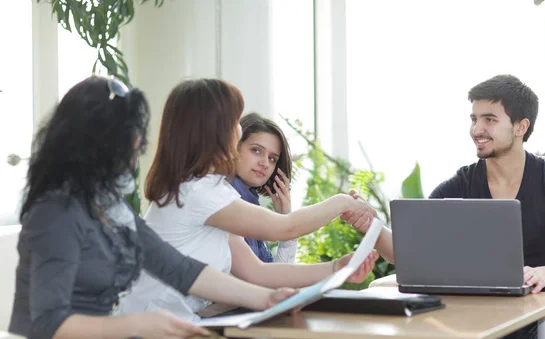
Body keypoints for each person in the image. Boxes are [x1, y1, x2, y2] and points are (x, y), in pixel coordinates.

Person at [8, 76, 299, 339]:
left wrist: (266, 299)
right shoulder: (56, 213)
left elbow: (180, 269)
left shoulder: (110, 209)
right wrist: (138, 325)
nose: (140, 143)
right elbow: (48, 324)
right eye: (129, 136)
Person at [346, 74, 545, 339]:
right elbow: (407, 253)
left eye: (490, 119)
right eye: (474, 119)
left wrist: (540, 274)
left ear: (521, 127)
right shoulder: (458, 185)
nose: (477, 130)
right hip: (481, 318)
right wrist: (374, 226)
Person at [119, 78, 377, 323]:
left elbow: (257, 272)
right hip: (149, 327)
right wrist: (343, 201)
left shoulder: (205, 191)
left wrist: (337, 267)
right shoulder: (199, 192)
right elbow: (285, 227)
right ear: (213, 131)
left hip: (173, 323)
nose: (239, 128)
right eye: (234, 122)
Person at [230, 112, 297, 263]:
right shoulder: (225, 198)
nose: (265, 163)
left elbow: (276, 279)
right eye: (256, 150)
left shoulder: (251, 201)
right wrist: (288, 224)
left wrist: (285, 218)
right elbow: (261, 280)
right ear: (234, 147)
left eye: (272, 158)